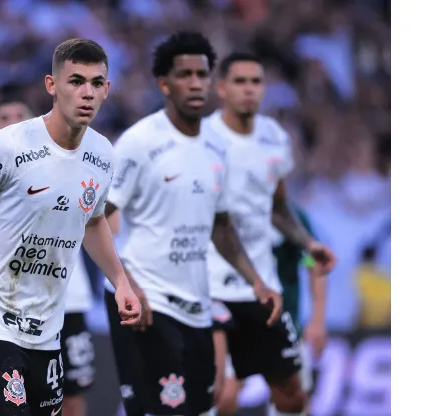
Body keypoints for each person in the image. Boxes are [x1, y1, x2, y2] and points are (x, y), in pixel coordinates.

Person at [0, 38, 141, 416]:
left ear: (107, 90)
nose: (86, 92)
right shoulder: (7, 146)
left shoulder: (103, 154)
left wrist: (119, 281)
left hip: (46, 325)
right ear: (51, 85)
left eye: (96, 83)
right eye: (75, 81)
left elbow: (92, 221)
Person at [103, 31, 282, 416]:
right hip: (146, 296)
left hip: (196, 304)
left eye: (202, 74)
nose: (196, 83)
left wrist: (256, 280)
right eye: (185, 75)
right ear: (164, 84)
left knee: (202, 408)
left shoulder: (217, 147)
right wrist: (127, 285)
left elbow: (220, 226)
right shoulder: (139, 143)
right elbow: (97, 219)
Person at [204, 52, 337, 416]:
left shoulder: (274, 138)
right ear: (221, 88)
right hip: (212, 286)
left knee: (292, 396)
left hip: (265, 292)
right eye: (240, 82)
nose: (249, 90)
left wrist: (308, 244)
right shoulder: (203, 139)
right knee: (221, 395)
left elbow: (279, 208)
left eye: (256, 82)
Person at [0, 97, 97, 416]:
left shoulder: (66, 164)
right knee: (4, 402)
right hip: (6, 310)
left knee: (72, 400)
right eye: (2, 115)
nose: (11, 121)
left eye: (19, 115)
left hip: (67, 302)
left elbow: (100, 221)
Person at [212, 202, 327, 415]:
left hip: (283, 319)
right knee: (224, 397)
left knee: (295, 400)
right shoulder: (221, 213)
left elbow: (313, 263)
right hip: (232, 315)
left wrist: (317, 321)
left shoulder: (291, 217)